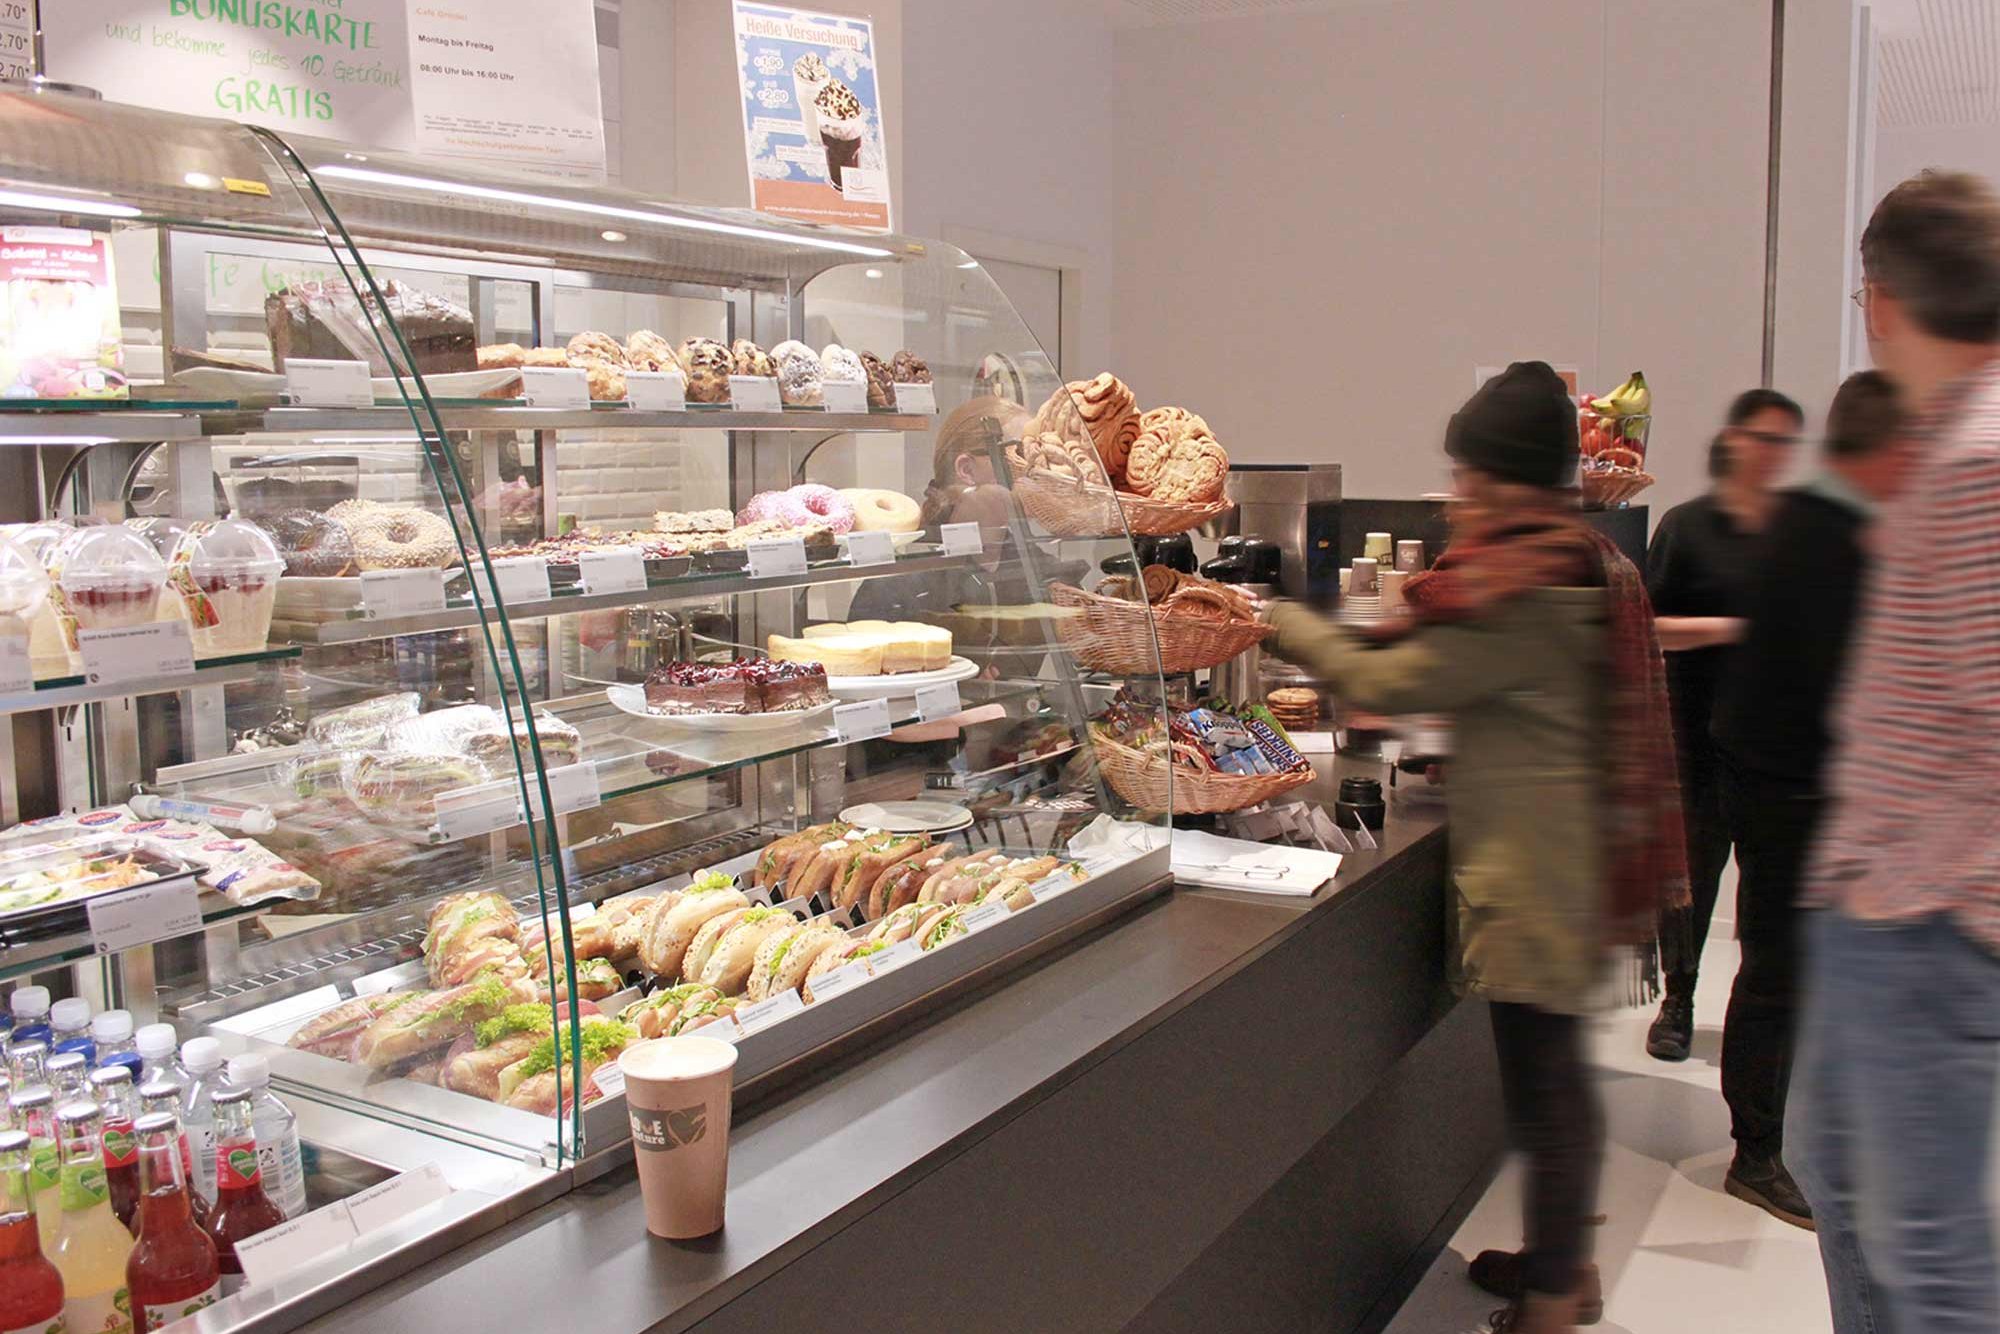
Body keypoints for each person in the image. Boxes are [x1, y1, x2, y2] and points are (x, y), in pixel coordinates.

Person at [1264, 362, 1688, 1334]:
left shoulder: (1524, 583)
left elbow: (1396, 680)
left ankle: (1550, 1301)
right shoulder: (1577, 559)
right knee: (1550, 1079)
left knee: (1543, 1089)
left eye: (1463, 477)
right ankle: (1558, 1262)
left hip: (1544, 874)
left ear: (1502, 480)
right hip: (1574, 854)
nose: (1453, 497)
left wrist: (1275, 617)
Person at [1791, 169, 2000, 1334]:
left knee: (1925, 1246)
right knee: (1843, 1179)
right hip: (1887, 904)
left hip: (1919, 919)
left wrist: (1913, 890)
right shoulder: (1954, 439)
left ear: (1878, 298)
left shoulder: (1977, 457)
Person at [1708, 372, 1909, 1233]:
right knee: (1778, 975)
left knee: (1795, 975)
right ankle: (1757, 1155)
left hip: (1791, 780)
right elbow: (1832, 679)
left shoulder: (1823, 522)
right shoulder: (1829, 531)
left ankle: (1785, 1136)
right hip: (1788, 788)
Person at [1640, 387, 1806, 1061]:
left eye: (1786, 444)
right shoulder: (1688, 526)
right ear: (1734, 441)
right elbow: (1644, 629)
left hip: (1777, 739)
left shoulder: (1801, 533)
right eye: (1764, 439)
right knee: (1693, 877)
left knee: (1769, 884)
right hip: (1697, 729)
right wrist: (1733, 630)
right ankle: (1677, 1001)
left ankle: (1760, 1013)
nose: (1774, 456)